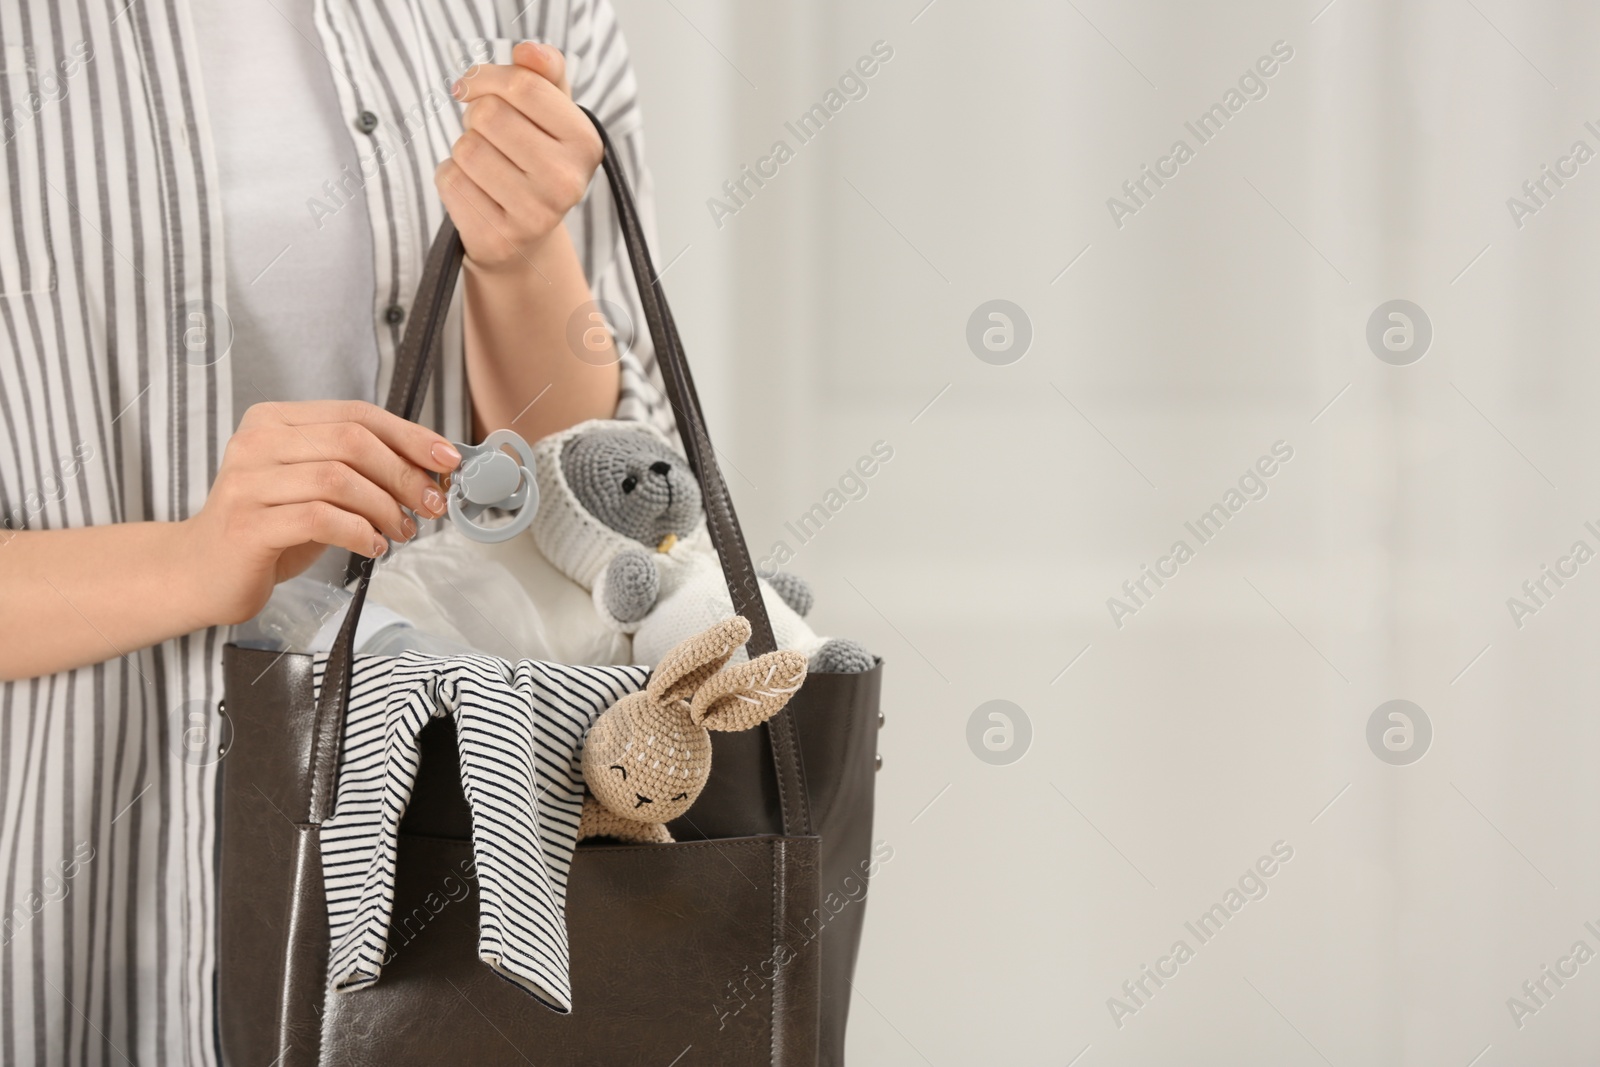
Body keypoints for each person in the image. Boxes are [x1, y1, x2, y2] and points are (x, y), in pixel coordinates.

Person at [0, 1, 671, 1061]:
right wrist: (189, 562)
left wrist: (522, 261)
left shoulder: (524, 12)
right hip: (56, 900)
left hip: (454, 916)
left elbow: (630, 500)